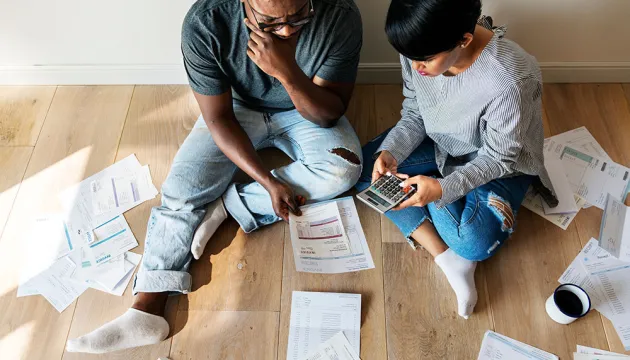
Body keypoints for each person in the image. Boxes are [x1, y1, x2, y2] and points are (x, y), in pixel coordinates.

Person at [66, 0, 362, 353]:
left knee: (344, 169)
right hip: (236, 110)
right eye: (269, 22)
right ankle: (148, 306)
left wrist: (286, 72)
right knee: (180, 191)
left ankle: (228, 206)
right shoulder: (205, 23)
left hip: (307, 108)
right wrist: (268, 182)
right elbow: (218, 118)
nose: (286, 30)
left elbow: (328, 113)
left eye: (299, 17)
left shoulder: (339, 14)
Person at [356, 0, 557, 319]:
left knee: (474, 242)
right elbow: (415, 112)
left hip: (499, 167)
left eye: (426, 60)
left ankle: (450, 233)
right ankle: (447, 258)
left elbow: (500, 158)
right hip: (442, 143)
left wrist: (441, 189)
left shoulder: (510, 79)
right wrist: (391, 152)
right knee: (364, 166)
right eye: (411, 57)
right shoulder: (418, 47)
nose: (416, 67)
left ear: (464, 39)